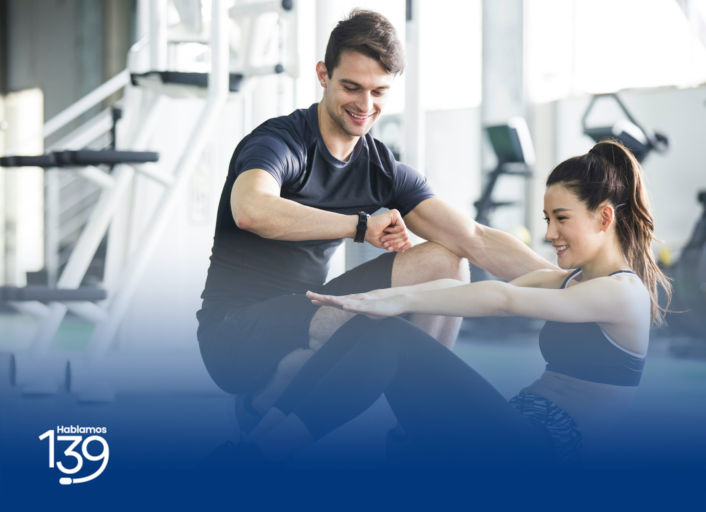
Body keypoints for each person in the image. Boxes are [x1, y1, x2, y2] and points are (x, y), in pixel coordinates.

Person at [204, 140, 672, 469]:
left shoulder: (623, 293)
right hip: (514, 426)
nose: (550, 234)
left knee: (393, 335)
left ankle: (263, 457)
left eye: (561, 218)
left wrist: (397, 301)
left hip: (541, 451)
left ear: (604, 216)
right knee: (376, 324)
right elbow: (458, 294)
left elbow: (503, 298)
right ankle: (255, 447)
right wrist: (379, 299)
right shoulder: (567, 280)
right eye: (547, 219)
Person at [196, 7, 553, 438]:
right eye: (351, 87)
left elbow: (475, 238)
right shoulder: (280, 142)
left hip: (306, 310)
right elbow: (251, 209)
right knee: (367, 320)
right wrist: (359, 226)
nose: (365, 106)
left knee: (447, 262)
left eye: (379, 92)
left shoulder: (379, 166)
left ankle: (415, 428)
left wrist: (573, 286)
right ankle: (261, 405)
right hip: (234, 335)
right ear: (323, 75)